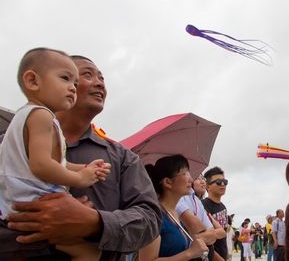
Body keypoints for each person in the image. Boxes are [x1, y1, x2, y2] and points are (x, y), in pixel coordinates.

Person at [2, 54, 162, 260]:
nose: (99, 84)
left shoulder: (124, 158)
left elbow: (150, 219)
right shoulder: (8, 145)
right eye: (86, 75)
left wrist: (94, 223)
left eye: (102, 79)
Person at [0, 48, 112, 260]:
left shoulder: (32, 116)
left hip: (15, 203)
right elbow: (41, 166)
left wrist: (85, 168)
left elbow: (56, 162)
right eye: (65, 78)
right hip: (30, 199)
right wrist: (80, 178)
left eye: (75, 84)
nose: (72, 88)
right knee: (85, 249)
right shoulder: (41, 115)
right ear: (33, 81)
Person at [139, 154, 209, 260]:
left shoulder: (173, 213)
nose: (191, 179)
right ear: (168, 182)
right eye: (185, 173)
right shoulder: (154, 217)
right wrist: (189, 253)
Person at [176, 173, 226, 261]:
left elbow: (220, 232)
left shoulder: (198, 201)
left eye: (203, 178)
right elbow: (195, 226)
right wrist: (207, 233)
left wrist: (203, 234)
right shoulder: (180, 198)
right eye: (198, 178)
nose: (203, 181)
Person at [202, 166, 229, 260]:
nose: (223, 184)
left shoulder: (223, 207)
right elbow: (203, 240)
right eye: (218, 182)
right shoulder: (203, 206)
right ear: (208, 186)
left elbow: (224, 236)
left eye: (225, 182)